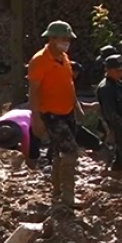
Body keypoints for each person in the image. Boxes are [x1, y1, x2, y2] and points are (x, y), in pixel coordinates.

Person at [28, 21, 80, 213]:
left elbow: (69, 84)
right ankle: (68, 196)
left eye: (68, 39)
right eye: (63, 39)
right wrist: (36, 118)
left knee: (59, 151)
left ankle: (57, 190)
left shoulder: (64, 58)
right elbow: (33, 91)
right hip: (50, 114)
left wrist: (76, 104)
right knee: (71, 152)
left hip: (67, 111)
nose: (66, 42)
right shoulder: (39, 60)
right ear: (51, 39)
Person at [96, 55, 122, 174]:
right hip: (117, 128)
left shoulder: (117, 83)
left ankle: (117, 175)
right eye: (118, 71)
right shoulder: (105, 88)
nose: (121, 73)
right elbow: (111, 113)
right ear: (108, 70)